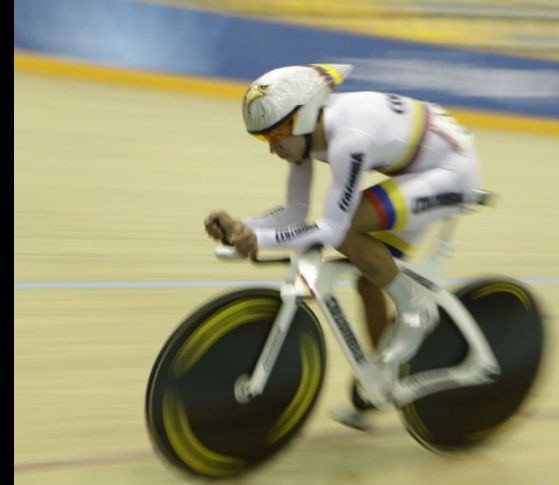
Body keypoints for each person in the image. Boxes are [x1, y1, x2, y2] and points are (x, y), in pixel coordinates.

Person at [204, 63, 482, 430]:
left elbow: (333, 228)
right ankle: (386, 377)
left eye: (276, 136)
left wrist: (260, 240)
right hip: (417, 173)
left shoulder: (349, 136)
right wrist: (244, 227)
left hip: (451, 171)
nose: (273, 149)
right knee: (370, 279)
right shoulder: (306, 135)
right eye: (264, 139)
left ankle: (416, 310)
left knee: (349, 228)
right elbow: (295, 212)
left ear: (301, 117)